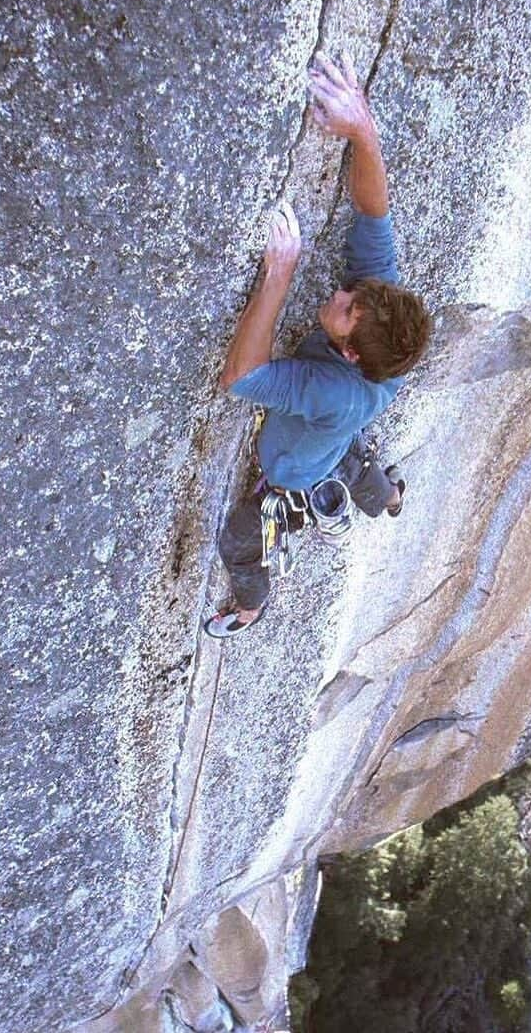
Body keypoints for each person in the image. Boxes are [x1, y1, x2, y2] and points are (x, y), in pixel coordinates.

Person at [204, 51, 432, 638]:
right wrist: (363, 128)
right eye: (354, 294)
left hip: (295, 470)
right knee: (358, 470)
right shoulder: (386, 322)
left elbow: (242, 378)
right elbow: (371, 207)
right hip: (341, 438)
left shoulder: (333, 389)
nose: (338, 294)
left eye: (346, 310)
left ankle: (252, 606)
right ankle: (391, 499)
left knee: (239, 539)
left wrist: (279, 274)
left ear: (353, 353)